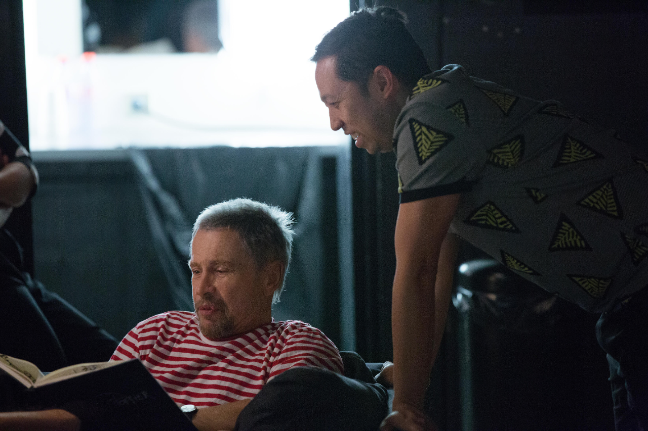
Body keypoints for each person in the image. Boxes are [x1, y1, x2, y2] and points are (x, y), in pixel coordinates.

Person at [312, 7, 648, 431]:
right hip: (626, 303)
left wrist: (406, 405)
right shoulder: (441, 108)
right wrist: (410, 377)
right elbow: (436, 271)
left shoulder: (429, 116)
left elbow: (416, 269)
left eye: (335, 102)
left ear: (382, 81)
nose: (334, 123)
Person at [0, 197, 388, 430]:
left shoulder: (296, 344)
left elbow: (278, 416)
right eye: (196, 270)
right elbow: (94, 413)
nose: (202, 288)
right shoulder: (153, 334)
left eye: (221, 270)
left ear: (270, 276)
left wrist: (160, 417)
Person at [0, 120, 118, 373]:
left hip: (11, 263)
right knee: (52, 371)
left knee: (115, 359)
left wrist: (14, 179)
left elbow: (26, 174)